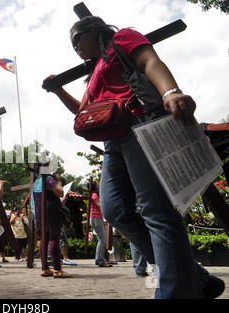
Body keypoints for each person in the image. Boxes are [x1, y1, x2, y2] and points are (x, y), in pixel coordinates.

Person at [45, 16, 224, 298]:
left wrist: (171, 92)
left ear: (94, 30)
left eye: (77, 38)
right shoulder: (94, 75)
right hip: (113, 142)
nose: (74, 46)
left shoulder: (122, 39)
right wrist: (58, 91)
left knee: (155, 210)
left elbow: (148, 61)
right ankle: (195, 276)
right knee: (115, 210)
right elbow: (84, 112)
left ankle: (174, 292)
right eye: (71, 43)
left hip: (141, 125)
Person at [33, 172, 71, 278]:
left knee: (43, 239)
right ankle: (57, 270)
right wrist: (58, 182)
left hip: (40, 212)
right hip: (50, 211)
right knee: (54, 237)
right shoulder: (48, 179)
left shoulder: (37, 181)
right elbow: (60, 193)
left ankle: (45, 268)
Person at [89, 181, 112, 267]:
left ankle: (98, 260)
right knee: (102, 239)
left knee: (101, 239)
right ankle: (100, 260)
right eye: (98, 185)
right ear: (95, 187)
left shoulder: (95, 194)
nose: (99, 186)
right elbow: (99, 204)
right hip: (95, 219)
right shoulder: (94, 194)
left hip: (97, 218)